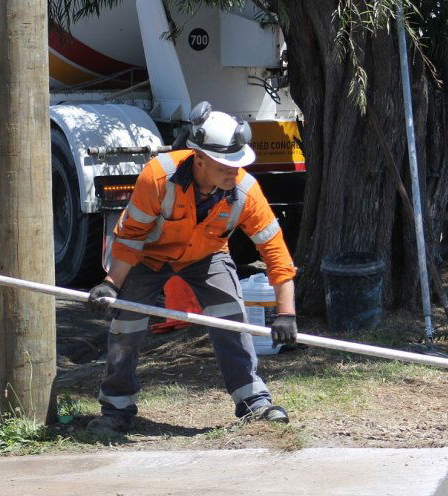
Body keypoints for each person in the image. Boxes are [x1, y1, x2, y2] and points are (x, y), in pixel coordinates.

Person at [85, 101, 298, 437]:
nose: (234, 172)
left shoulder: (245, 190)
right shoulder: (157, 176)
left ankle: (253, 401)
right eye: (225, 165)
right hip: (149, 257)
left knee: (232, 317)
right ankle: (117, 408)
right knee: (126, 325)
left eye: (237, 164)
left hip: (206, 256)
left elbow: (276, 253)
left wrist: (286, 314)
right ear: (199, 158)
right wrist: (111, 284)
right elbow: (130, 237)